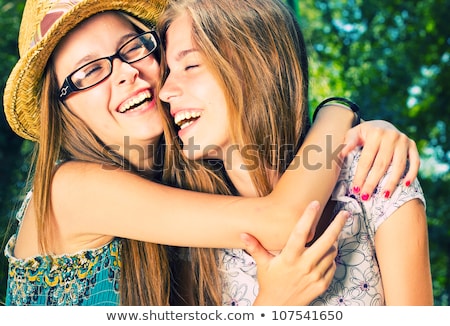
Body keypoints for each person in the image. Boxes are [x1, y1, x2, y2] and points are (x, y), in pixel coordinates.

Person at [3, 0, 420, 306]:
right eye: (90, 71)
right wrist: (338, 112)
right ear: (61, 108)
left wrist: (372, 132)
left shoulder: (187, 192)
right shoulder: (71, 189)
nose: (127, 71)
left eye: (132, 48)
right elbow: (283, 220)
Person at [157, 0, 433, 305]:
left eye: (191, 65)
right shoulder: (187, 238)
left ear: (261, 63)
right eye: (168, 71)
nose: (165, 91)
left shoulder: (374, 171)